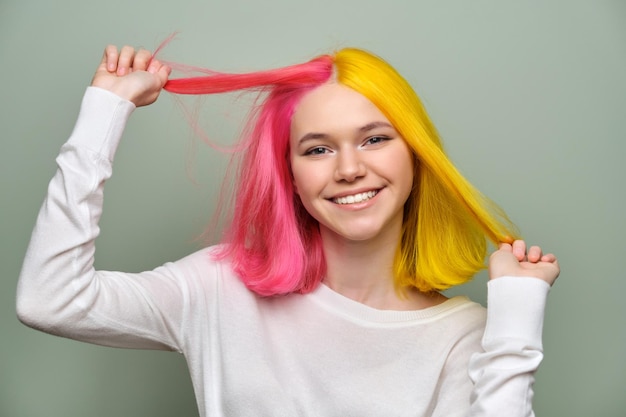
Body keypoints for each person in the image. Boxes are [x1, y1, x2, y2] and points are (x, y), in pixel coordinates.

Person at [17, 44, 560, 417]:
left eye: (375, 139)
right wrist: (103, 112)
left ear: (416, 158)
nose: (349, 168)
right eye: (318, 149)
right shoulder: (217, 288)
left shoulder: (464, 333)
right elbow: (51, 301)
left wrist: (515, 318)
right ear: (291, 177)